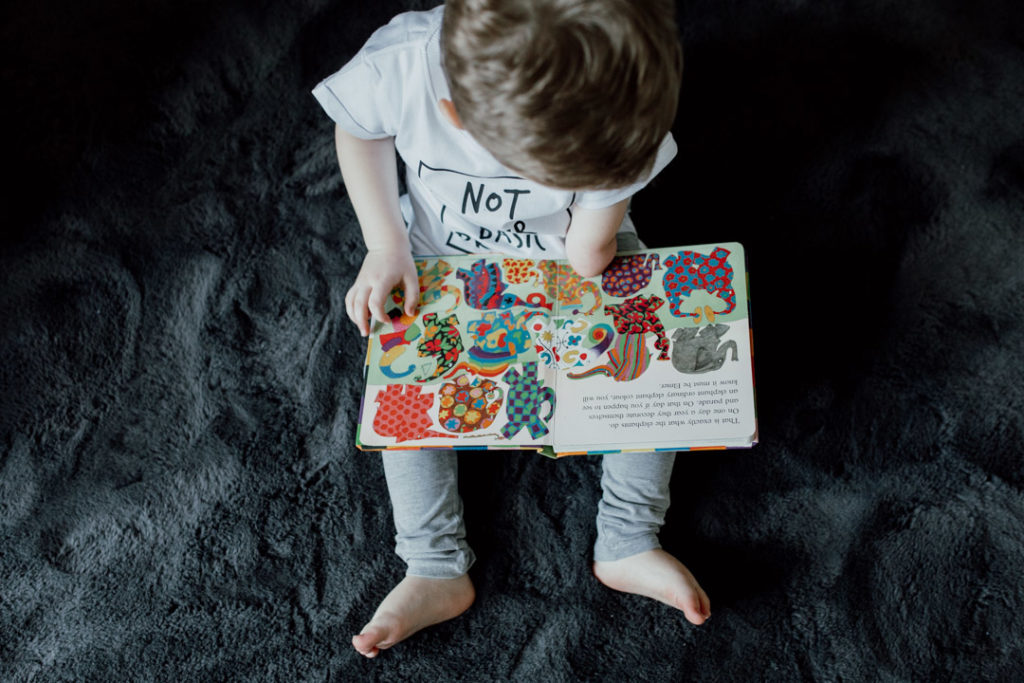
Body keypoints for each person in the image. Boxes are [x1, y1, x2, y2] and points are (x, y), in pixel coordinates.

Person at [312, 0, 711, 659]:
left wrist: (594, 229)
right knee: (405, 395)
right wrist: (386, 245)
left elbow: (591, 250)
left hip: (579, 258)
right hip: (443, 258)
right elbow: (358, 131)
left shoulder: (628, 100)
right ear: (455, 116)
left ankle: (630, 537)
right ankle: (432, 562)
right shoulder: (403, 63)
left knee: (653, 359)